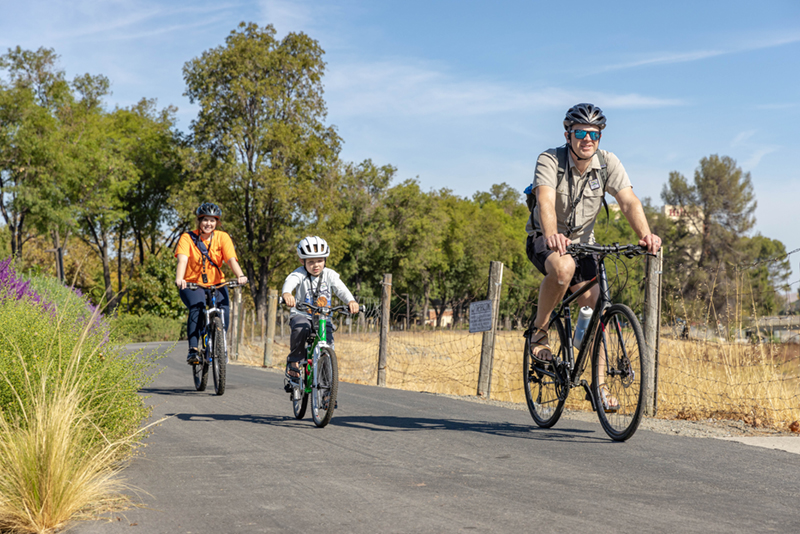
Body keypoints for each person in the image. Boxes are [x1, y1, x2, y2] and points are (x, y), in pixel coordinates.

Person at [525, 103, 661, 409]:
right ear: (568, 134)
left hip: (585, 243)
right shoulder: (550, 160)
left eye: (594, 134)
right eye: (581, 132)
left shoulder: (608, 163)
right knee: (563, 269)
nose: (588, 139)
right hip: (546, 239)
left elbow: (628, 201)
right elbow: (545, 201)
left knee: (597, 307)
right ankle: (540, 332)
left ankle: (597, 386)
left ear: (600, 137)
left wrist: (646, 235)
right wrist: (552, 234)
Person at [175, 202, 248, 364]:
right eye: (205, 220)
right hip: (192, 284)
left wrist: (240, 275)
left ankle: (220, 345)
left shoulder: (223, 237)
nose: (209, 224)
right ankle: (193, 349)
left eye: (212, 220)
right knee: (198, 307)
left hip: (217, 283)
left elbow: (231, 259)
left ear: (217, 222)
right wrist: (180, 278)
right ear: (199, 221)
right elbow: (182, 260)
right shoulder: (187, 238)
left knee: (224, 309)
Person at [281, 236, 359, 381]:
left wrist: (351, 300)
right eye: (310, 262)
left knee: (328, 348)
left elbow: (341, 289)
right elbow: (290, 282)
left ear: (325, 260)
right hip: (302, 314)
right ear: (302, 261)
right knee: (300, 328)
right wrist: (287, 294)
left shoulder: (330, 275)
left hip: (323, 317)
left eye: (320, 260)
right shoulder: (299, 274)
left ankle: (327, 393)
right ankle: (294, 362)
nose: (316, 265)